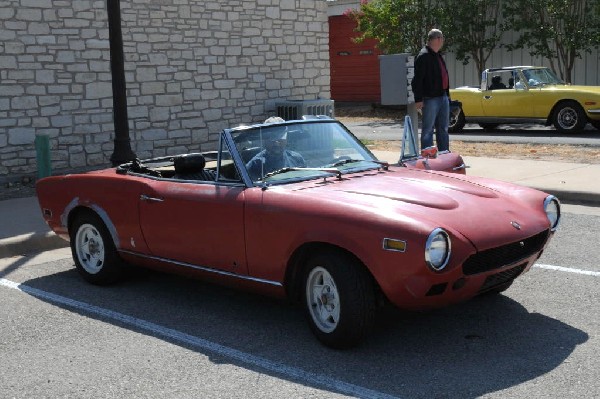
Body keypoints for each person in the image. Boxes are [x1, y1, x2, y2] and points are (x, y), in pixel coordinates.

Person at [411, 28, 450, 152]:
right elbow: (417, 80)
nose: (442, 40)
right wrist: (418, 99)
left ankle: (444, 153)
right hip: (430, 98)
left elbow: (444, 76)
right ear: (436, 39)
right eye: (441, 38)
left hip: (442, 96)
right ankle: (427, 156)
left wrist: (447, 95)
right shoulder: (423, 56)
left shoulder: (438, 55)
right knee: (428, 129)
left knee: (443, 128)